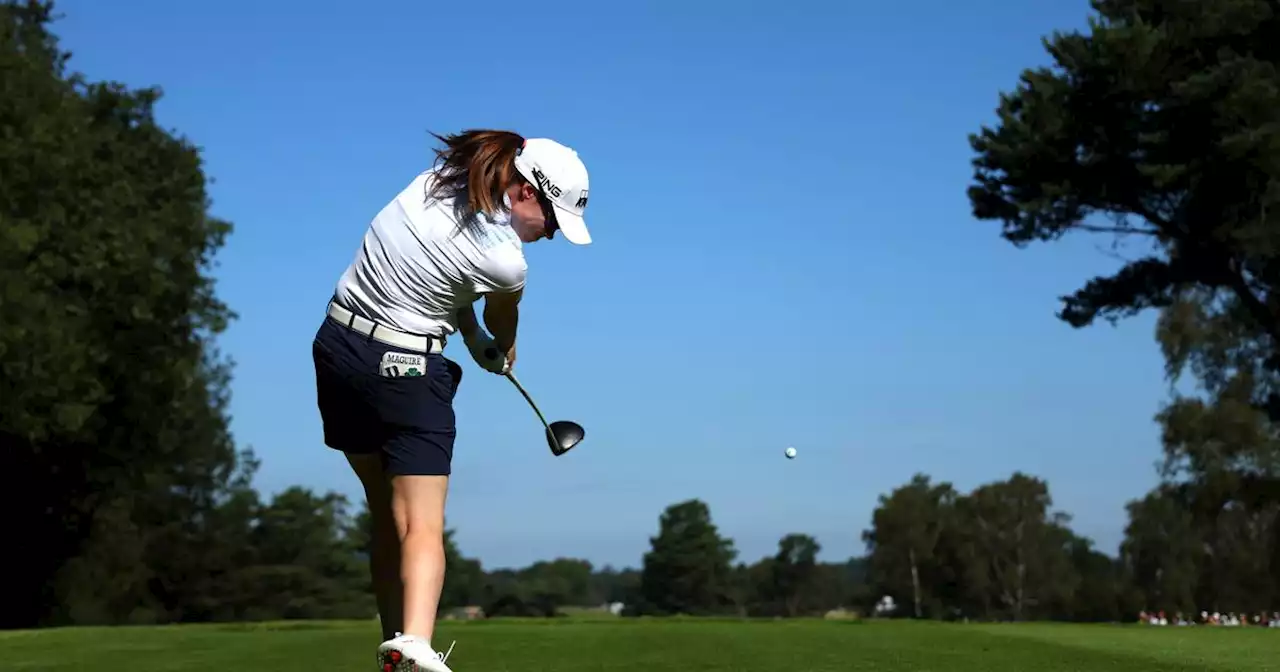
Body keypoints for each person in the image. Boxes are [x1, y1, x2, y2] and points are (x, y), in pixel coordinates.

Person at [310, 129, 592, 672]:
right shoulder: (508, 263)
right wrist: (501, 349)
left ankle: (393, 639)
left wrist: (468, 338)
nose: (552, 236)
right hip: (405, 372)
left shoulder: (432, 186)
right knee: (420, 521)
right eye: (554, 222)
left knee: (386, 511)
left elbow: (442, 280)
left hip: (337, 351)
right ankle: (414, 645)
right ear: (526, 192)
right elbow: (500, 321)